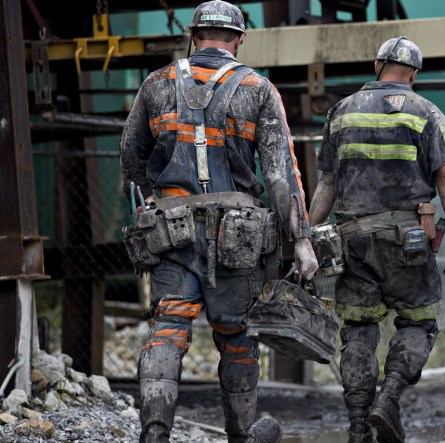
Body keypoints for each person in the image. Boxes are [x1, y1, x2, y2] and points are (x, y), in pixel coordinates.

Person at [120, 1, 318, 442]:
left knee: (169, 327)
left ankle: (154, 432)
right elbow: (281, 175)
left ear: (193, 35)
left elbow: (130, 156)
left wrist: (154, 200)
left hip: (170, 231)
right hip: (237, 236)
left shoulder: (156, 84)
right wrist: (301, 241)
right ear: (240, 39)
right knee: (237, 336)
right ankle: (242, 435)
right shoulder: (258, 89)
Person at [308, 36, 445, 443]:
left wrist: (304, 237)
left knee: (359, 330)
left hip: (353, 241)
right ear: (414, 74)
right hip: (409, 243)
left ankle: (357, 424)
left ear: (376, 64)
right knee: (419, 322)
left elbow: (327, 184)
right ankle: (391, 395)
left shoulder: (341, 112)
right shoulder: (426, 112)